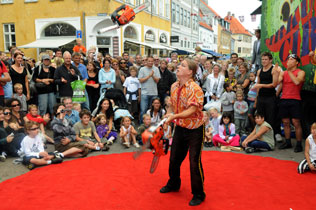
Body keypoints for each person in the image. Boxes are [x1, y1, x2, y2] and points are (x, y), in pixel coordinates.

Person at [161, 58, 205, 206]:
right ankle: (174, 183)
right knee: (174, 159)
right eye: (179, 64)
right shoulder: (174, 86)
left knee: (194, 162)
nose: (178, 67)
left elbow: (192, 110)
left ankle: (199, 194)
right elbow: (173, 106)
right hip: (180, 127)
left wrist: (174, 117)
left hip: (195, 129)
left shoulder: (195, 89)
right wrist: (169, 115)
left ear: (190, 72)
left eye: (183, 65)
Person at [278, 54, 305, 152]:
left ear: (297, 62)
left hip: (295, 99)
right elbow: (276, 82)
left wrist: (289, 71)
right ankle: (288, 142)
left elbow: (297, 82)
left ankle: (298, 144)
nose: (289, 61)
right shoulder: (284, 73)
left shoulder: (300, 72)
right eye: (288, 59)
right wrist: (275, 73)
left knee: (296, 122)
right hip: (284, 99)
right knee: (285, 122)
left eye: (291, 59)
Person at [255, 52, 280, 137]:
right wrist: (257, 98)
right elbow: (257, 85)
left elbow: (274, 84)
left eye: (266, 59)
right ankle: (260, 135)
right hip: (261, 97)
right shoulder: (259, 71)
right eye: (262, 59)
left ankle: (270, 137)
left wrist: (261, 85)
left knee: (271, 118)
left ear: (270, 60)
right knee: (260, 117)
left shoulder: (274, 70)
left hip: (270, 97)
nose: (264, 61)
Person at [138, 56, 161, 124]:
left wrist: (153, 75)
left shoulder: (156, 69)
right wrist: (149, 76)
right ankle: (141, 125)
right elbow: (140, 80)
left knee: (153, 110)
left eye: (152, 61)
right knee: (143, 110)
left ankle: (151, 124)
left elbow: (157, 81)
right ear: (146, 61)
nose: (150, 62)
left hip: (154, 92)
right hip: (145, 93)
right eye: (149, 61)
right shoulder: (142, 69)